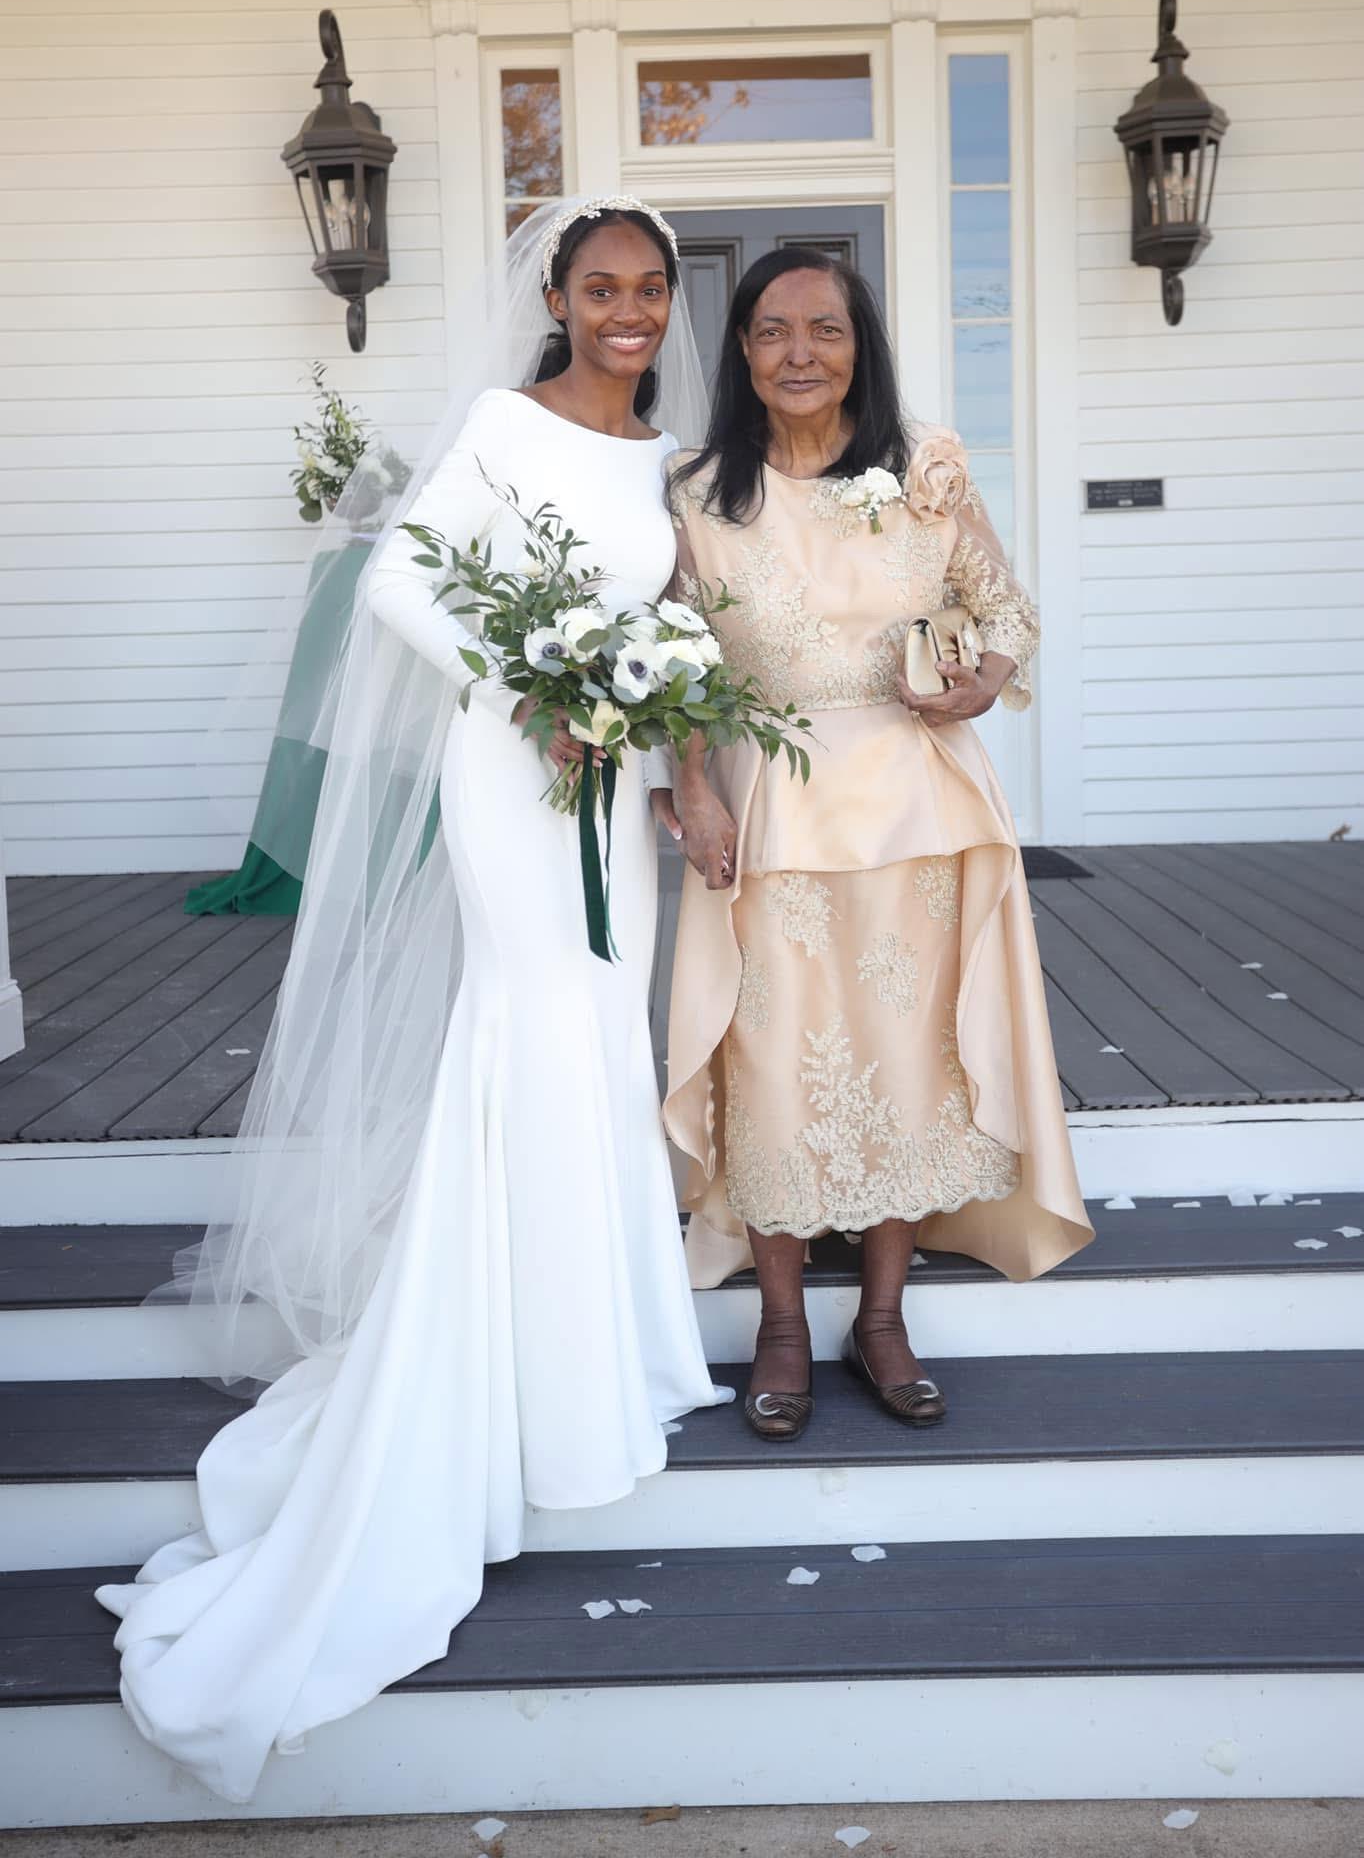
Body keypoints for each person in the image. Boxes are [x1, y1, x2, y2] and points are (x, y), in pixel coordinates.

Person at [95, 196, 729, 1804]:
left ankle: (596, 1361)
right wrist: (535, 688)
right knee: (523, 1034)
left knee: (598, 1038)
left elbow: (666, 621)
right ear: (560, 296)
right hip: (516, 779)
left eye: (651, 288)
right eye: (603, 288)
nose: (631, 311)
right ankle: (495, 1383)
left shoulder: (658, 452)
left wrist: (654, 737)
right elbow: (399, 591)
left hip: (615, 790)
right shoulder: (506, 426)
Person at [653, 247, 1092, 1441]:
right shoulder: (692, 494)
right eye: (771, 331)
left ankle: (882, 1314)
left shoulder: (926, 469)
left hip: (915, 806)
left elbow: (1003, 609)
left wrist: (983, 680)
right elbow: (671, 669)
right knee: (777, 1062)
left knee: (907, 1056)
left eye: (825, 329)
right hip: (768, 808)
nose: (799, 353)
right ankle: (783, 1323)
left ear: (860, 346)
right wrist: (690, 790)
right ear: (740, 351)